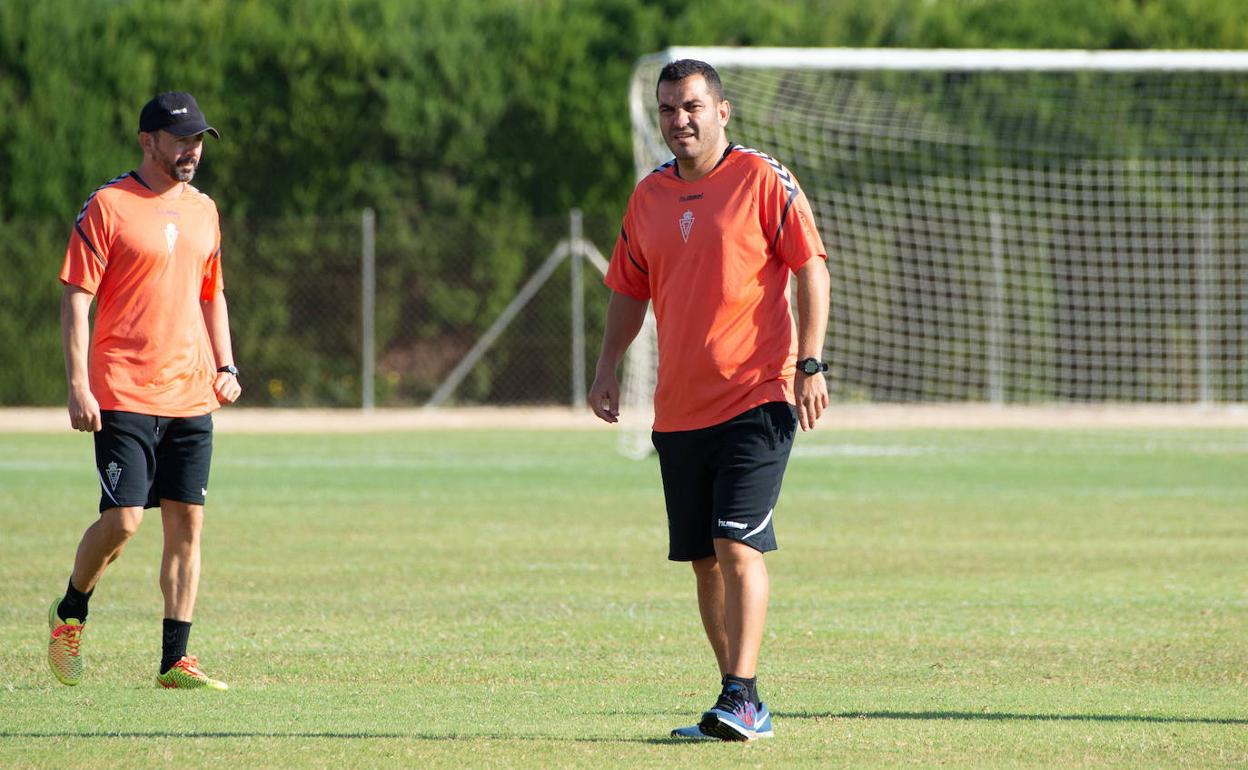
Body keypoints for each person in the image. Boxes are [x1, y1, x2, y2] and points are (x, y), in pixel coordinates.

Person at [588, 60, 830, 741]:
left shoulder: (762, 178)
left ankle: (742, 696)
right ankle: (739, 699)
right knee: (703, 560)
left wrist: (810, 362)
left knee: (735, 543)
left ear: (722, 111)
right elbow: (628, 289)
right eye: (668, 109)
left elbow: (811, 267)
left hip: (759, 394)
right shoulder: (648, 197)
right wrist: (606, 366)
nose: (679, 120)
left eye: (692, 106)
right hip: (679, 409)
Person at [48, 91, 241, 690]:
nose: (192, 151)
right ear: (148, 141)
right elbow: (76, 298)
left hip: (190, 392)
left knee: (187, 524)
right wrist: (78, 385)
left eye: (198, 141)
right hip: (122, 389)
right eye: (181, 140)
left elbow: (212, 292)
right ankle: (70, 611)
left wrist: (227, 365)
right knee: (125, 521)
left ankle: (174, 660)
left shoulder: (205, 210)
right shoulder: (108, 205)